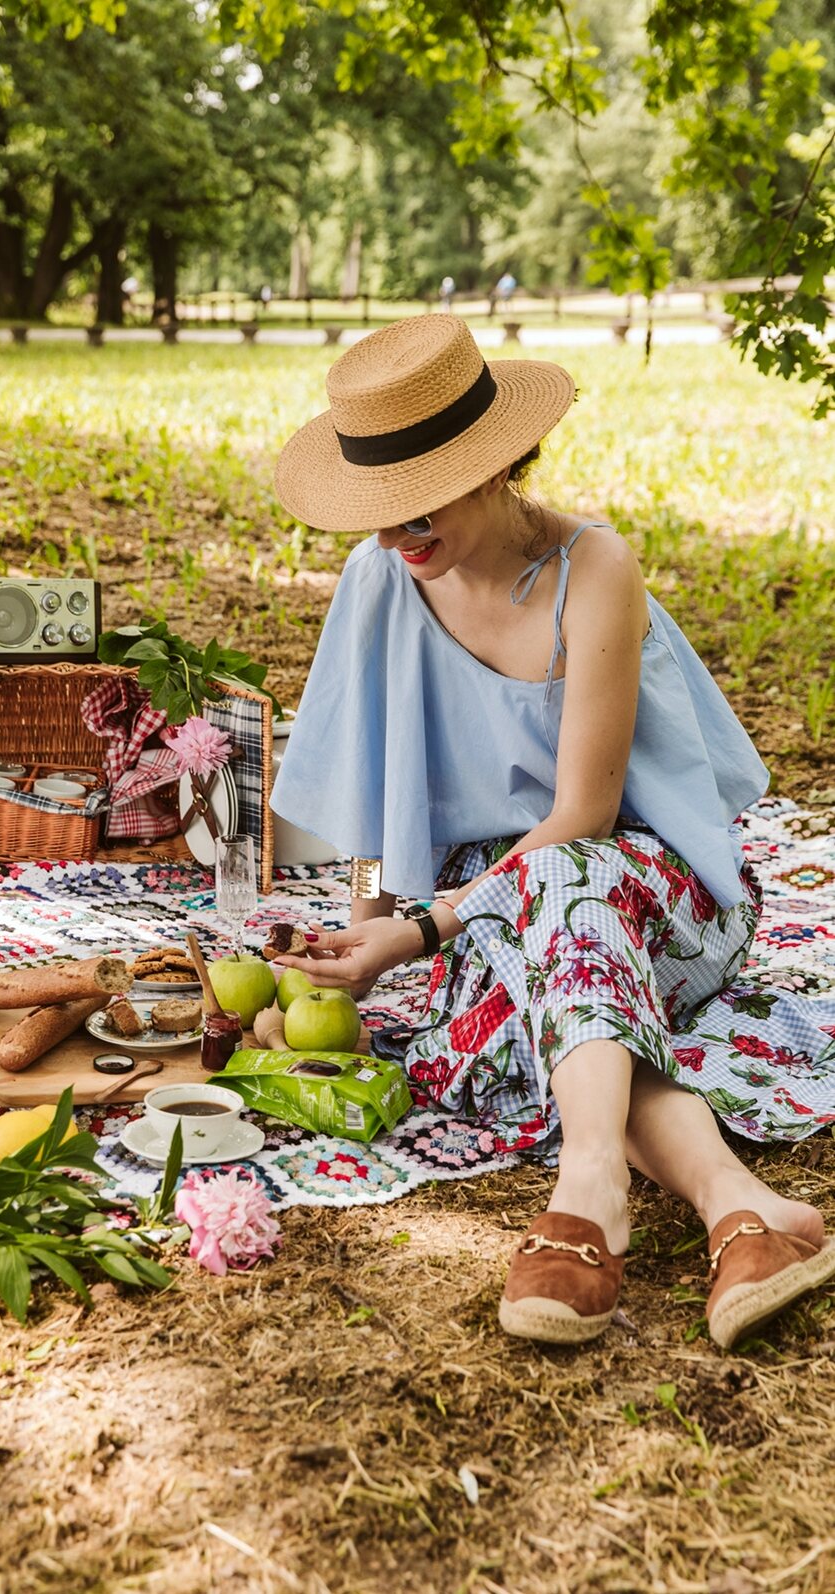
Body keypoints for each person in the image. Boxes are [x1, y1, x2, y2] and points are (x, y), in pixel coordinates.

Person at [269, 313, 835, 1349]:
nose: (396, 537)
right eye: (378, 513)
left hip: (646, 878)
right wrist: (361, 930)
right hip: (496, 903)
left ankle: (588, 1189)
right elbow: (367, 791)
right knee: (527, 1025)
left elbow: (583, 816)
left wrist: (421, 930)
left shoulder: (593, 567)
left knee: (567, 891)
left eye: (416, 505)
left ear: (492, 464)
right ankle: (743, 1209)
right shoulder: (378, 579)